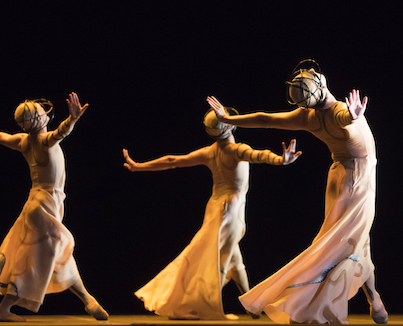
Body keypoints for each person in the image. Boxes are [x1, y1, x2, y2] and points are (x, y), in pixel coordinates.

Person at [206, 60, 388, 325]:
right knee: (344, 243)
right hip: (357, 181)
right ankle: (307, 302)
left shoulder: (307, 117)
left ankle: (374, 299)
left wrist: (229, 118)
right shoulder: (336, 110)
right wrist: (353, 116)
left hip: (338, 176)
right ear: (322, 83)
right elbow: (342, 117)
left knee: (356, 240)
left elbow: (264, 119)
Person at [123, 108, 302, 320]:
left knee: (234, 260)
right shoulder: (237, 150)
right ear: (231, 126)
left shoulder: (210, 152)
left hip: (216, 206)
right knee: (221, 260)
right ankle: (207, 307)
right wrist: (280, 160)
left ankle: (251, 306)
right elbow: (258, 156)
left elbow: (173, 161)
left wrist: (139, 166)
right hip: (231, 209)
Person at [0, 93, 108, 322]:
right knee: (41, 257)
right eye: (41, 113)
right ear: (39, 120)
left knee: (57, 255)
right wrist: (72, 120)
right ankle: (4, 307)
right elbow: (60, 133)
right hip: (43, 205)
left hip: (40, 203)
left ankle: (89, 301)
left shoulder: (22, 140)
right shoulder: (43, 140)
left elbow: (3, 137)